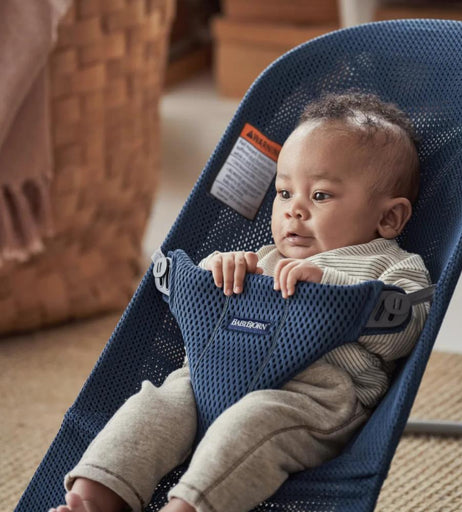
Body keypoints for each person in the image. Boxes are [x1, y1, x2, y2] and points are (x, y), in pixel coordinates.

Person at [50, 92, 431, 512]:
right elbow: (201, 309)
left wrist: (332, 286)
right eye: (284, 192)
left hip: (311, 399)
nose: (294, 210)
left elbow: (409, 325)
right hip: (210, 376)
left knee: (252, 422)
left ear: (389, 218)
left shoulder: (389, 265)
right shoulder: (265, 258)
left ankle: (187, 507)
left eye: (320, 196)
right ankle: (96, 495)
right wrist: (217, 270)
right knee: (154, 405)